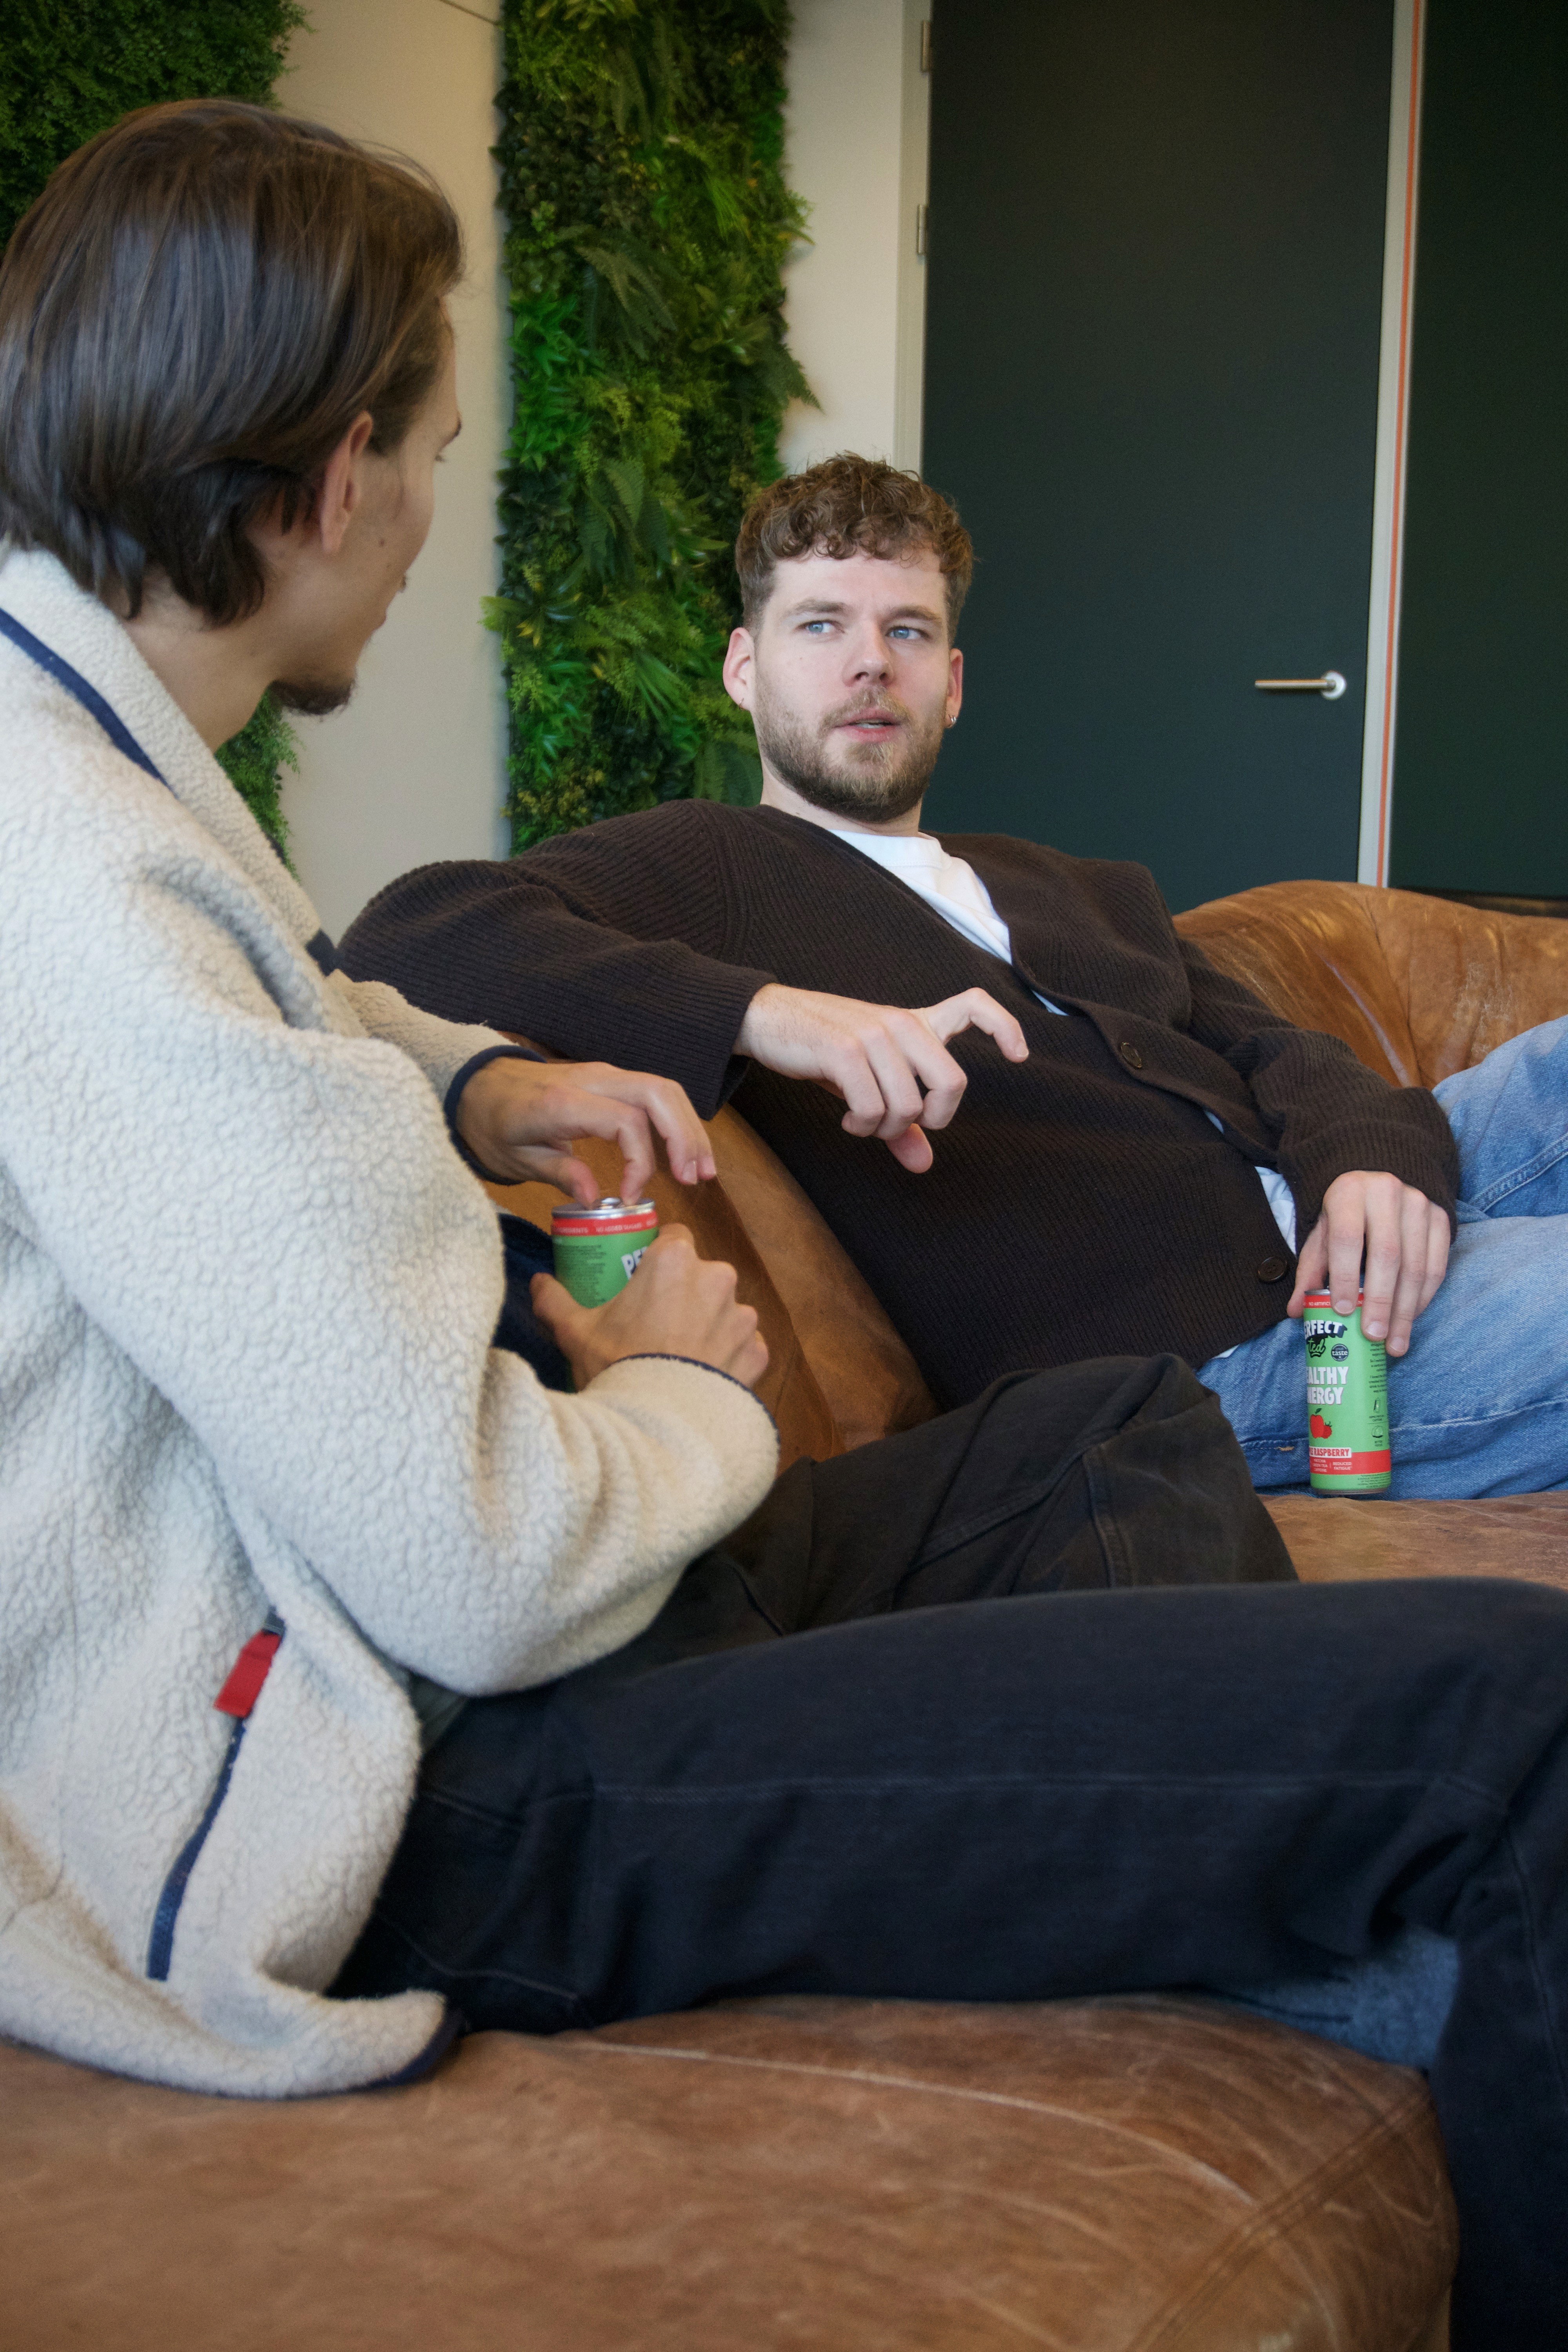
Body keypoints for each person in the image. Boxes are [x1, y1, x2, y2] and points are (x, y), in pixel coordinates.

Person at [4, 106, 1568, 2352]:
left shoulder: (98, 772)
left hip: (482, 1634)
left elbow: (314, 1000)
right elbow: (484, 1568)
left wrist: (478, 1079)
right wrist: (680, 1387)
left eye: (910, 629)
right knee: (1519, 1719)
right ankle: (1284, 1873)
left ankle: (1197, 1837)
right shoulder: (76, 866)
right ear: (338, 478)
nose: (431, 520)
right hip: (411, 1779)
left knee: (1115, 1440)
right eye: (433, 456)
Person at [341, 458, 1568, 1499]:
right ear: (743, 669)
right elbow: (412, 932)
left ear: (954, 681)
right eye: (821, 626)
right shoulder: (714, 867)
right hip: (1234, 1353)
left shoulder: (1069, 881)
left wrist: (1372, 1160)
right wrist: (772, 1017)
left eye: (908, 631)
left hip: (1348, 1207)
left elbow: (1278, 1049)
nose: (870, 665)